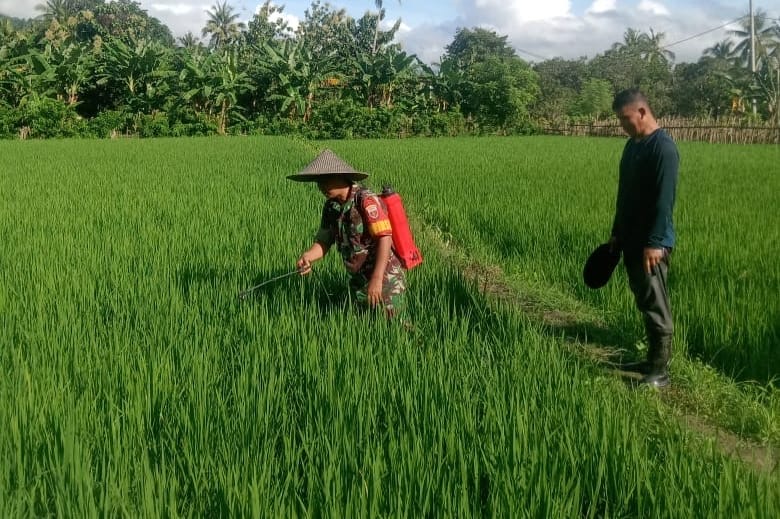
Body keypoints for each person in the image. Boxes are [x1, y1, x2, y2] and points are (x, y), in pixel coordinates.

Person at [609, 89, 679, 388]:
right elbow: (624, 194)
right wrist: (617, 232)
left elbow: (664, 200)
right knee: (643, 299)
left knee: (656, 303)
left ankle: (660, 373)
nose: (623, 125)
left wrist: (656, 242)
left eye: (626, 119)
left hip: (652, 243)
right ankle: (650, 361)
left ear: (641, 112)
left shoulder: (662, 148)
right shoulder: (633, 146)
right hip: (631, 238)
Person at [288, 149, 407, 317]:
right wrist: (308, 257)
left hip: (385, 277)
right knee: (365, 326)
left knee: (394, 326)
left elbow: (384, 238)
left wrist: (377, 279)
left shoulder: (366, 200)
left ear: (341, 176)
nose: (321, 186)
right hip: (358, 279)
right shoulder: (331, 207)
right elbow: (323, 241)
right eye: (318, 181)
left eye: (325, 180)